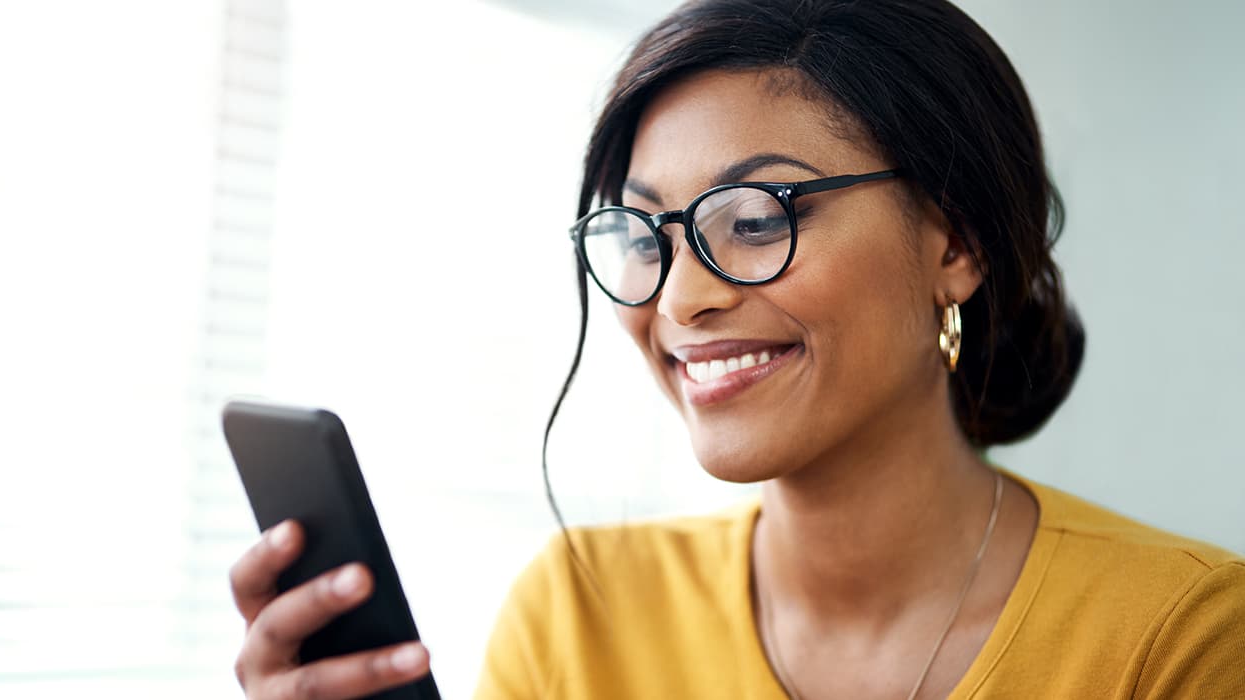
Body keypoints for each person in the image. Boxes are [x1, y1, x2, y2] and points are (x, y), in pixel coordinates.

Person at [228, 0, 1245, 697]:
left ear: (958, 243)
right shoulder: (580, 609)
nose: (680, 296)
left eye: (754, 218)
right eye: (645, 233)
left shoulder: (1177, 634)